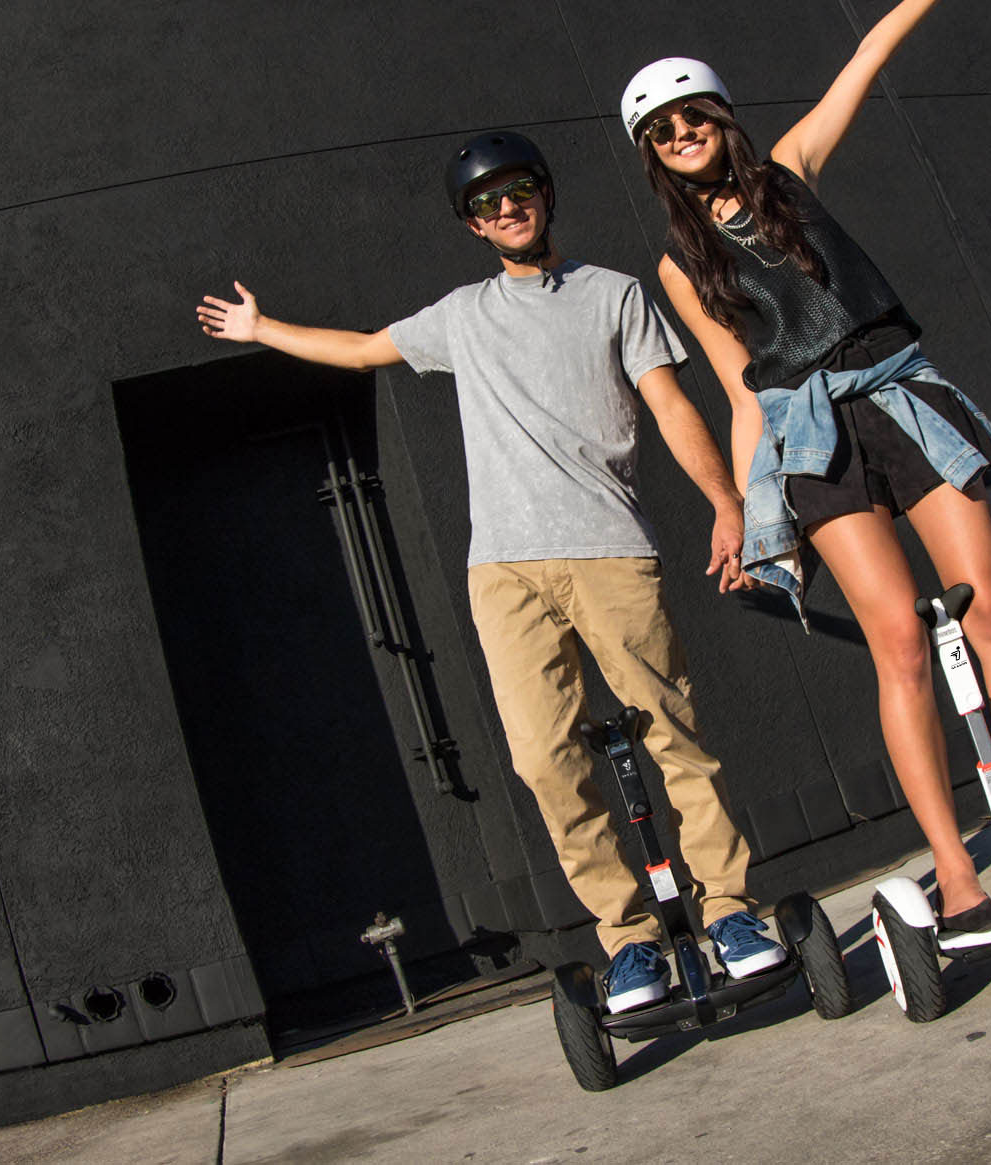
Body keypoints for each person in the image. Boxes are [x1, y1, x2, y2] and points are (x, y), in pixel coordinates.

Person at [194, 131, 785, 1011]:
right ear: (473, 224)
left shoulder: (613, 294)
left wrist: (727, 504)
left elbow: (668, 404)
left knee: (673, 729)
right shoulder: (460, 315)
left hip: (609, 550)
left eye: (518, 192)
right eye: (486, 203)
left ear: (544, 195)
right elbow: (361, 350)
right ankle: (629, 939)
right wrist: (260, 328)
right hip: (502, 572)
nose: (506, 209)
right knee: (544, 760)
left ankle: (731, 912)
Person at [619, 0, 991, 937]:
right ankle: (957, 873)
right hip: (810, 436)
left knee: (990, 612)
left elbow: (863, 60)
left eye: (695, 117)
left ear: (722, 118)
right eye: (663, 130)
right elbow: (741, 394)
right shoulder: (680, 266)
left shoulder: (791, 170)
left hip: (899, 394)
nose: (683, 134)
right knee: (899, 644)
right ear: (650, 152)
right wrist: (736, 513)